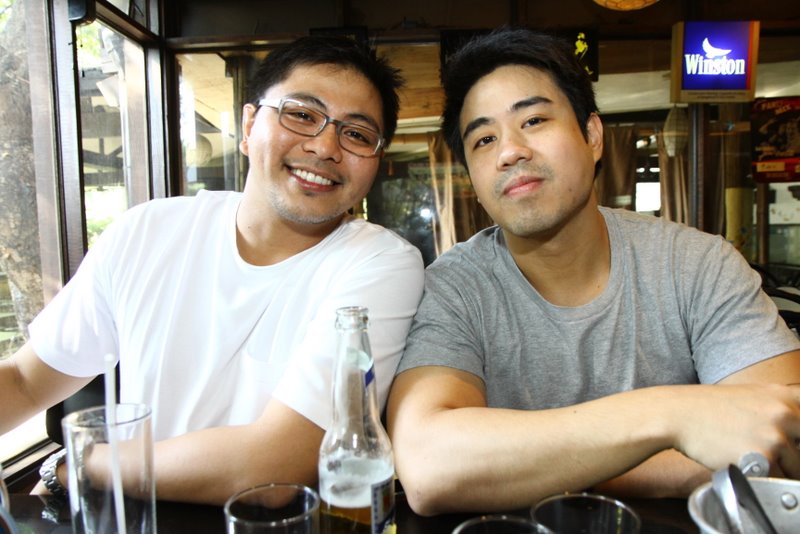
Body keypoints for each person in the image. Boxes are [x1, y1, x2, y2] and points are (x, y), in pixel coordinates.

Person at [386, 27, 800, 516]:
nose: (509, 151)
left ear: (593, 136)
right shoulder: (455, 287)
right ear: (472, 179)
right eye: (484, 139)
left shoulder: (696, 264)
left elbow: (780, 437)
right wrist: (675, 416)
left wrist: (532, 467)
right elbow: (429, 467)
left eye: (534, 120)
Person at [0, 35, 424, 505]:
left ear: (376, 162)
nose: (325, 147)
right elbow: (24, 381)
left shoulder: (381, 263)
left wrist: (79, 465)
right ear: (249, 125)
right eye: (302, 115)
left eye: (357, 134)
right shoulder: (148, 231)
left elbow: (274, 466)